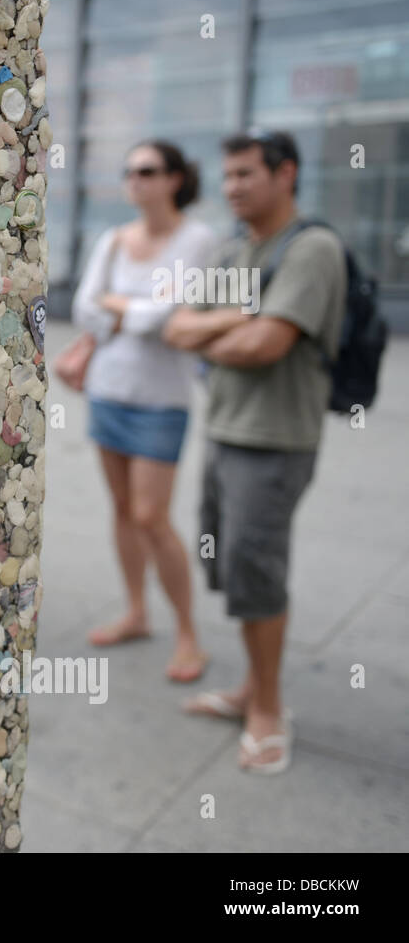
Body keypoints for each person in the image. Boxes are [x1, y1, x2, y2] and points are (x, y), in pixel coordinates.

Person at [163, 130, 346, 774]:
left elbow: (264, 347)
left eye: (246, 174)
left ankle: (267, 707)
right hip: (226, 432)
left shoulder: (314, 249)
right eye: (229, 175)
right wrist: (236, 320)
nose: (233, 186)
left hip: (275, 441)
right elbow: (177, 326)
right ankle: (249, 688)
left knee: (256, 568)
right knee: (237, 569)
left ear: (286, 173)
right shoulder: (233, 249)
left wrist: (224, 329)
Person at [70, 140, 219, 682]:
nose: (136, 180)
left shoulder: (197, 239)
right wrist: (123, 311)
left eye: (149, 171)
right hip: (109, 389)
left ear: (175, 178)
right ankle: (137, 610)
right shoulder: (112, 240)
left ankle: (188, 634)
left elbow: (164, 319)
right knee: (122, 510)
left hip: (162, 399)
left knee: (153, 517)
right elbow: (85, 307)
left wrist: (117, 307)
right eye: (130, 171)